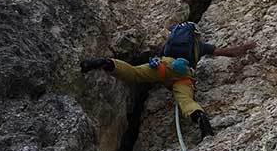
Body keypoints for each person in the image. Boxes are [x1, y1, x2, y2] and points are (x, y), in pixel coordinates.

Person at [80, 22, 256, 139]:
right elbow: (231, 53)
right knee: (186, 101)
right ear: (196, 35)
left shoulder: (169, 44)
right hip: (184, 74)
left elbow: (158, 57)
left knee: (133, 73)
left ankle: (107, 63)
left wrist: (156, 61)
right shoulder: (199, 46)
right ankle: (201, 119)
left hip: (164, 66)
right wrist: (247, 47)